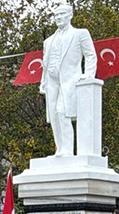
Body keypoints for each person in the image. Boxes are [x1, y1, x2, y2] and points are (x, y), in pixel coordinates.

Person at [40, 2, 97, 157]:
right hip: (52, 82)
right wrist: (43, 82)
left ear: (70, 15)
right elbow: (45, 63)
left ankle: (68, 150)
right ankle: (60, 148)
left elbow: (91, 55)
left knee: (62, 112)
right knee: (53, 115)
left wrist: (88, 74)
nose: (58, 18)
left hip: (70, 80)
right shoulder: (48, 41)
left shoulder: (80, 34)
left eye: (62, 14)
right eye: (56, 15)